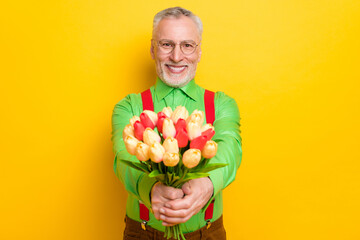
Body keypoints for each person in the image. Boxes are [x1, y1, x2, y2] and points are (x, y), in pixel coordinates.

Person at [111, 7, 242, 239]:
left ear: (199, 52)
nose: (176, 56)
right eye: (167, 44)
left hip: (207, 233)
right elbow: (124, 159)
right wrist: (149, 189)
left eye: (187, 45)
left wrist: (207, 185)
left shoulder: (222, 104)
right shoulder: (129, 107)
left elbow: (230, 150)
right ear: (153, 49)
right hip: (143, 233)